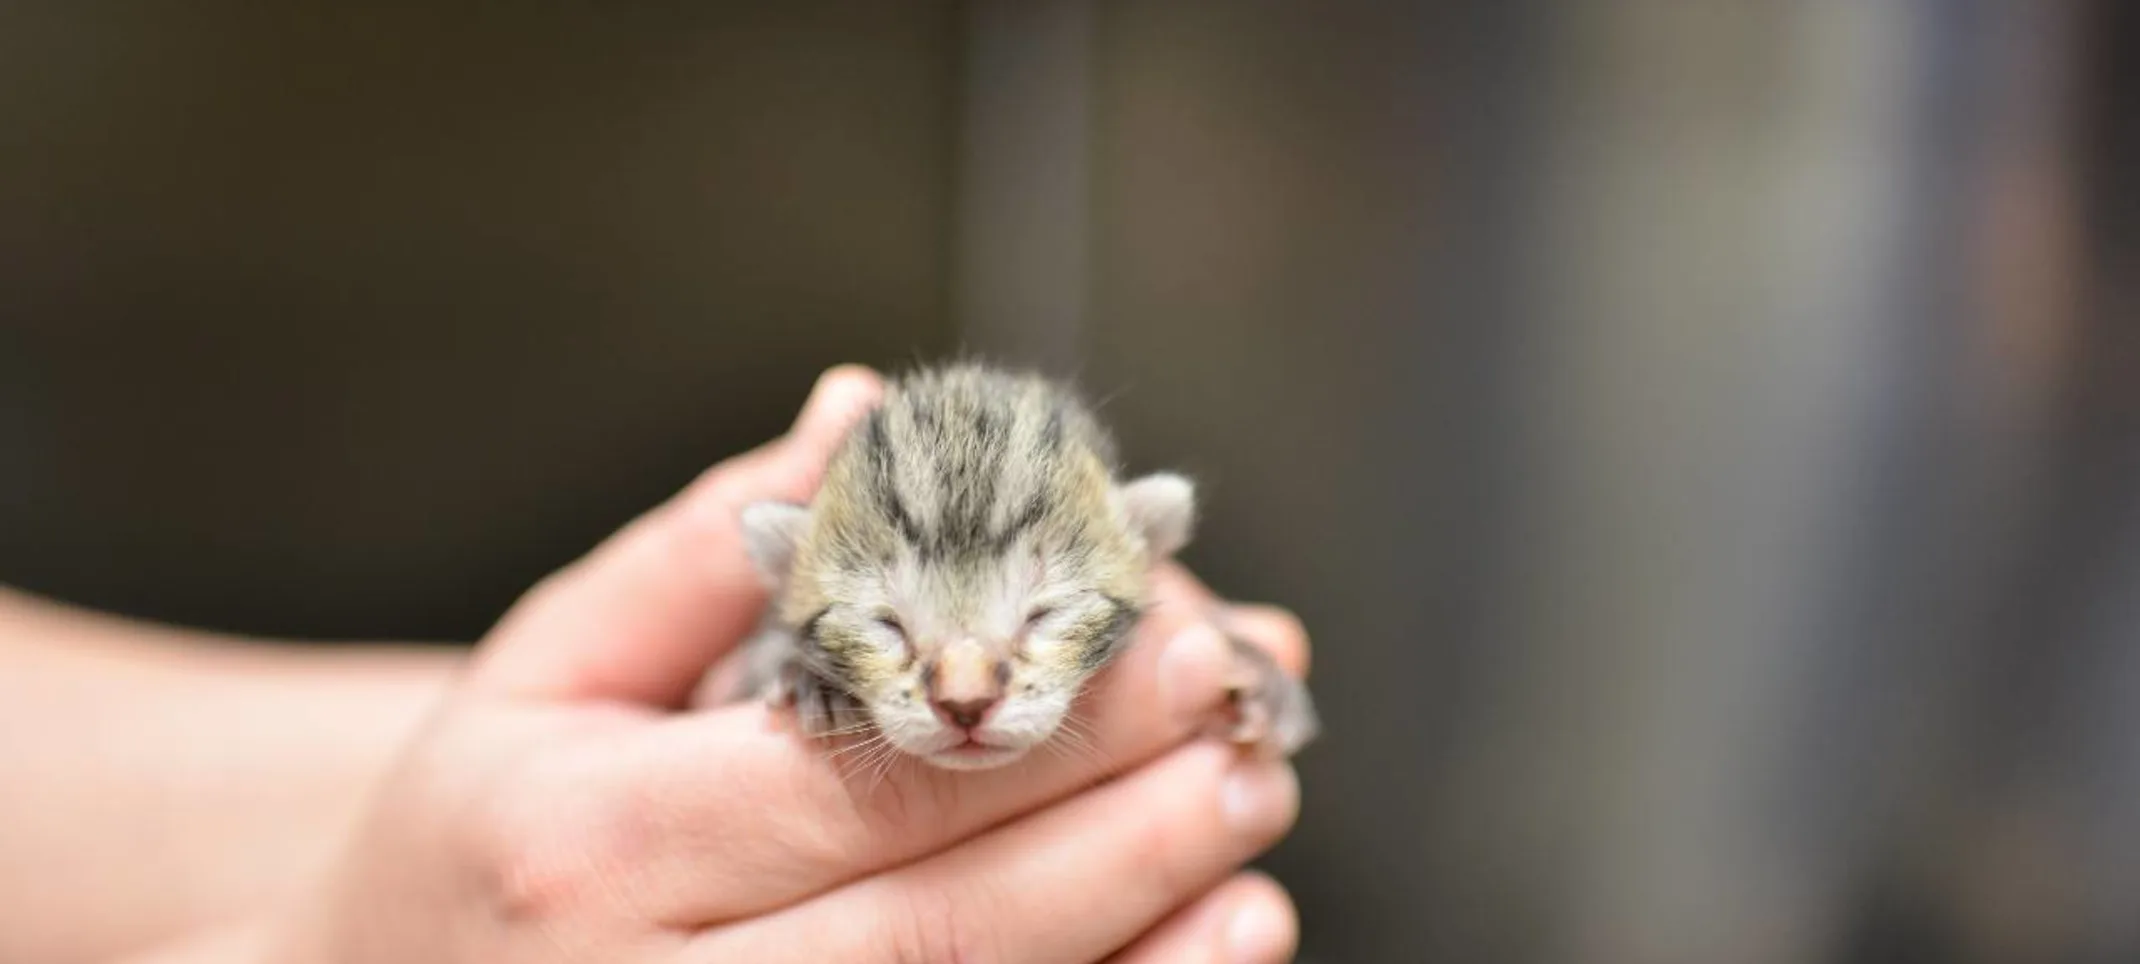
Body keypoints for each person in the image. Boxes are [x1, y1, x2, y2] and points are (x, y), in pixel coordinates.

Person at [0, 365, 1312, 964]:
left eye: (1038, 625)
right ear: (790, 580)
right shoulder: (786, 639)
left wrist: (1239, 688)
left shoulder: (1147, 612)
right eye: (888, 633)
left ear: (1146, 546)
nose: (963, 688)